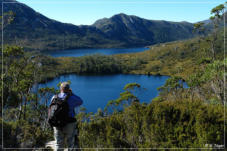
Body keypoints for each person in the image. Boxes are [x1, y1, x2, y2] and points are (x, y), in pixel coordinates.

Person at [51, 82, 83, 151]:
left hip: (57, 123)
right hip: (69, 123)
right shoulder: (71, 98)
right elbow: (80, 101)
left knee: (58, 143)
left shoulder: (54, 97)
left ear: (60, 89)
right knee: (70, 142)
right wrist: (72, 93)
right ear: (68, 89)